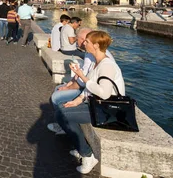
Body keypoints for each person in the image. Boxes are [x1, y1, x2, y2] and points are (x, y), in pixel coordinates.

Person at [52, 30, 125, 174]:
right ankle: (81, 147)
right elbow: (88, 89)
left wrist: (82, 76)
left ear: (96, 45)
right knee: (62, 108)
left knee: (62, 115)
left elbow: (103, 93)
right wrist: (77, 101)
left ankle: (87, 154)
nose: (84, 43)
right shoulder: (97, 63)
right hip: (96, 104)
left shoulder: (107, 66)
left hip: (108, 109)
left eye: (87, 42)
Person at [48, 27, 116, 135]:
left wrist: (70, 88)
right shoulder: (92, 55)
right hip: (89, 91)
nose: (82, 43)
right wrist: (71, 83)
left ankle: (64, 126)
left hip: (100, 101)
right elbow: (85, 75)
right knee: (59, 91)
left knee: (57, 97)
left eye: (85, 41)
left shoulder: (103, 61)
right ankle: (63, 124)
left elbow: (90, 83)